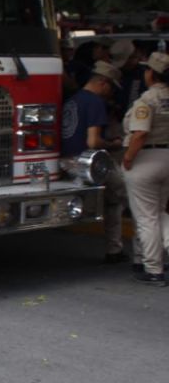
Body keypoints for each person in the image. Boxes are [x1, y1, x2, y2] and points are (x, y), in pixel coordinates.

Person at [59, 61, 127, 263]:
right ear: (103, 83)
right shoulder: (95, 102)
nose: (111, 93)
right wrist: (113, 144)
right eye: (111, 87)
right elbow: (93, 142)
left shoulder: (72, 99)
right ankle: (114, 249)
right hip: (88, 162)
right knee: (120, 195)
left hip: (66, 160)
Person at [121, 51, 169, 286]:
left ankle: (153, 270)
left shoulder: (147, 100)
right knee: (160, 213)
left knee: (146, 217)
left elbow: (140, 133)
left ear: (151, 73)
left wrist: (128, 158)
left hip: (145, 159)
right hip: (167, 157)